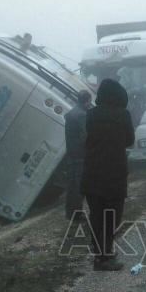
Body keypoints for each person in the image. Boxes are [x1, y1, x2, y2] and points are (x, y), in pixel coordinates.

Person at [81, 79, 135, 271]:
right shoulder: (123, 115)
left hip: (92, 172)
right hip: (114, 173)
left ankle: (100, 253)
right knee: (112, 216)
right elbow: (129, 140)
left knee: (96, 215)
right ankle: (105, 256)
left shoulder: (91, 114)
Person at [63, 90, 93, 220]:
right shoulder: (82, 115)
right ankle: (77, 215)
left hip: (71, 153)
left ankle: (70, 213)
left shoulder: (71, 113)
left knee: (72, 186)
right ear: (87, 101)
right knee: (80, 186)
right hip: (81, 155)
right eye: (89, 102)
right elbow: (85, 136)